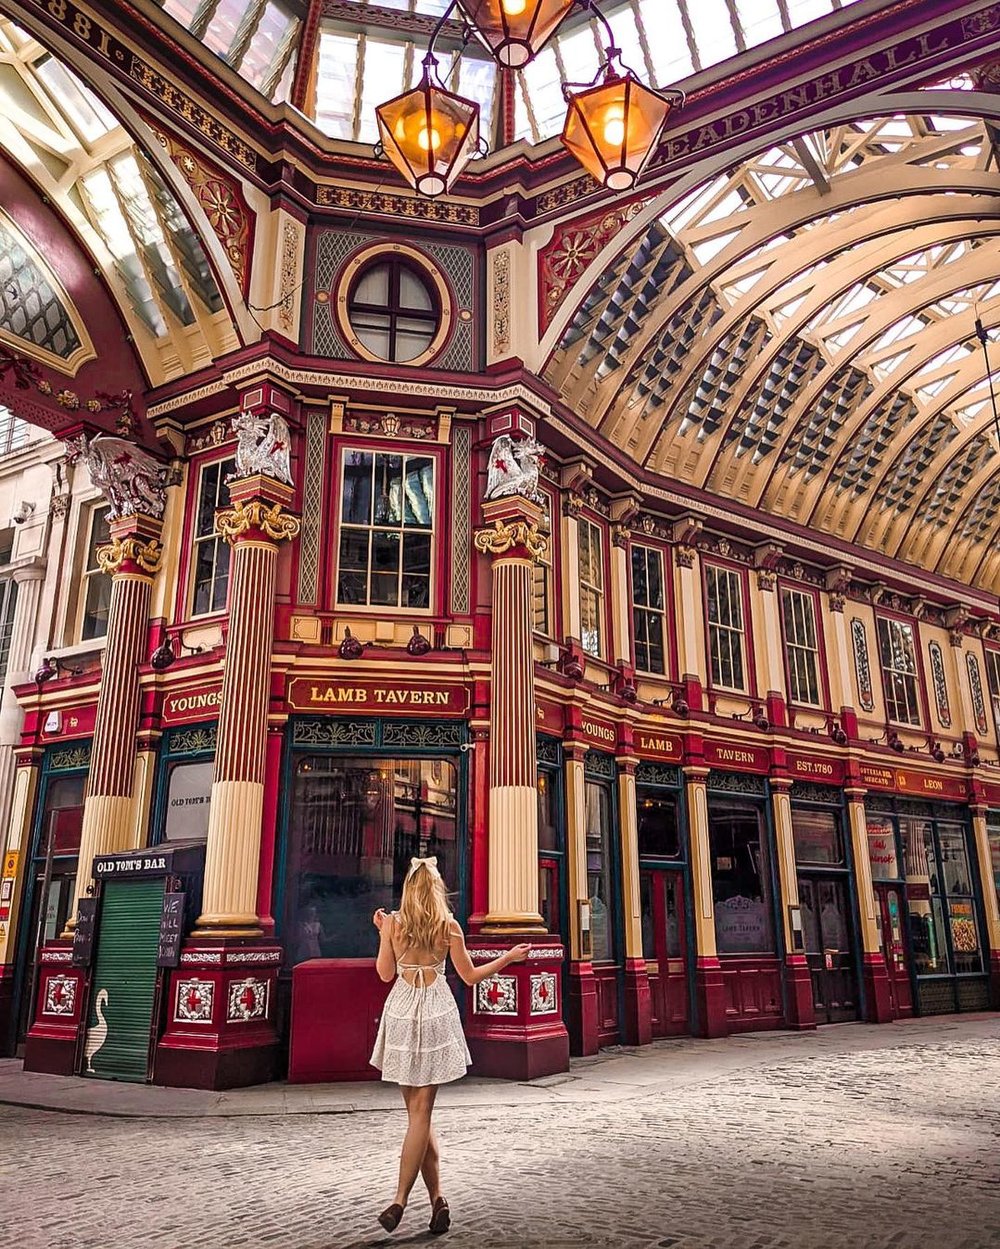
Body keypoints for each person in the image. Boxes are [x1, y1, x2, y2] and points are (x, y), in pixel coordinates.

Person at [370, 856, 530, 1235]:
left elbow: (384, 974)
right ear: (437, 889)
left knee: (417, 1116)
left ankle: (416, 1200)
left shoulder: (393, 923)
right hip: (436, 1011)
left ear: (408, 889)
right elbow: (471, 977)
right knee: (421, 1116)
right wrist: (507, 957)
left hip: (402, 1009)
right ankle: (420, 1200)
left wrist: (382, 934)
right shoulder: (449, 926)